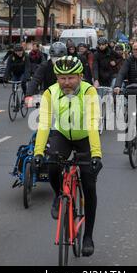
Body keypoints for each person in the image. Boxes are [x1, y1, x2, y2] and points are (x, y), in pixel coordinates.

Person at [32, 55, 103, 257]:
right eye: (61, 78)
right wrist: (38, 152)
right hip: (62, 134)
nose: (66, 82)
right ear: (56, 78)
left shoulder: (89, 92)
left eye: (71, 78)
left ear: (80, 76)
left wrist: (96, 154)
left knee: (89, 185)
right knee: (52, 164)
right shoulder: (50, 93)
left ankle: (88, 235)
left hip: (85, 137)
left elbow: (92, 123)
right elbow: (44, 123)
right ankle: (58, 195)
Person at [24, 42, 68, 107]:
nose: (56, 61)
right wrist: (28, 95)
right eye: (54, 58)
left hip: (67, 95)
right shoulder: (45, 65)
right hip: (49, 95)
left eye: (59, 58)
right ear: (50, 56)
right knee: (43, 115)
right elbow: (35, 79)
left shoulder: (70, 66)